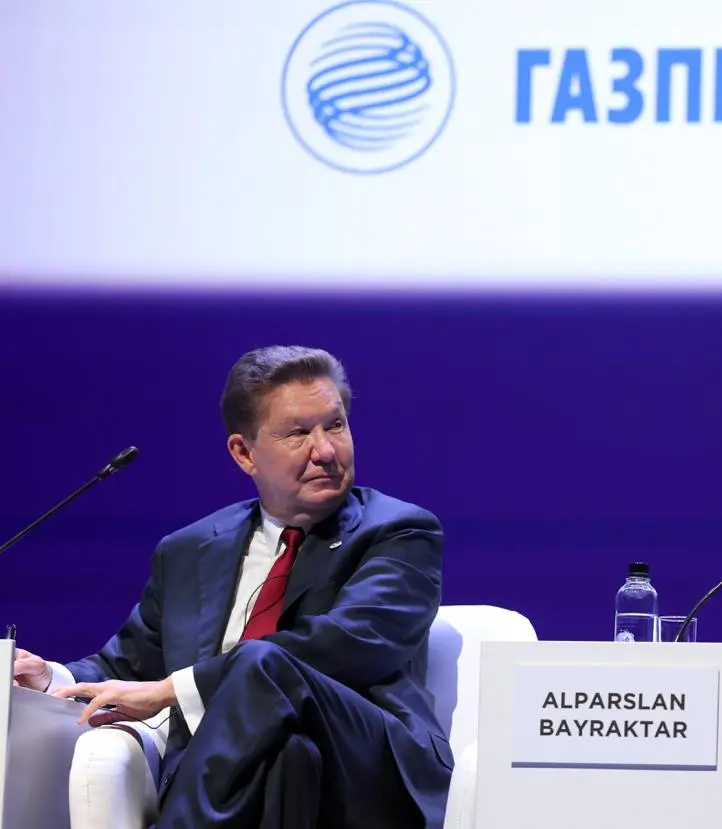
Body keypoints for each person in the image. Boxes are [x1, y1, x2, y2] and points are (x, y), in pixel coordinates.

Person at [12, 345, 452, 829]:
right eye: (298, 433)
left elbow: (349, 644)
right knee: (287, 757)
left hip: (362, 768)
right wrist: (52, 678)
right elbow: (129, 665)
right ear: (244, 453)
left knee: (263, 666)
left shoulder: (400, 531)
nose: (326, 450)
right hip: (247, 774)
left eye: (335, 425)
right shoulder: (189, 551)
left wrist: (173, 690)